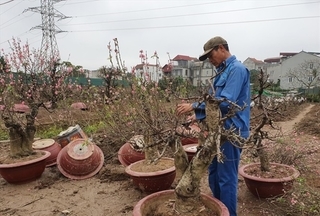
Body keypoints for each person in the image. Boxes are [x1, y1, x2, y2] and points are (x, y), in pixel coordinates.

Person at [175, 36, 250, 216]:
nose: (210, 60)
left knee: (226, 179)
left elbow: (225, 102)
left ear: (221, 48)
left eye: (211, 55)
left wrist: (193, 105)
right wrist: (197, 115)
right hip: (217, 131)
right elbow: (210, 104)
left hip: (231, 131)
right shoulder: (222, 72)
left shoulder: (237, 70)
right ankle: (219, 210)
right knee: (214, 174)